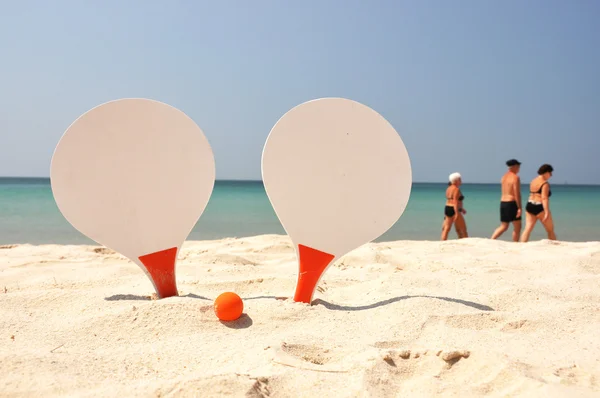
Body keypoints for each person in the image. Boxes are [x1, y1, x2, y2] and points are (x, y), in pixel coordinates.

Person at [520, 164, 557, 242]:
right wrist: (546, 212)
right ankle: (554, 248)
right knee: (550, 230)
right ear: (546, 172)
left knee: (527, 229)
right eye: (550, 173)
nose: (551, 175)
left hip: (530, 205)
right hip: (540, 207)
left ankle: (521, 246)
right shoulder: (545, 183)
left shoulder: (533, 181)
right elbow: (544, 198)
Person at [491, 159, 522, 241]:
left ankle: (491, 240)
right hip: (512, 203)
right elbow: (517, 194)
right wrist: (519, 208)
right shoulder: (515, 177)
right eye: (518, 166)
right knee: (517, 226)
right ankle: (515, 244)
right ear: (514, 166)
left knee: (504, 226)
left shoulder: (503, 177)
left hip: (503, 203)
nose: (519, 168)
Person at [441, 172, 468, 240]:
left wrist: (462, 209)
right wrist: (456, 213)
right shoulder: (456, 189)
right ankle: (466, 241)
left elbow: (450, 199)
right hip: (454, 209)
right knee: (463, 229)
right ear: (456, 180)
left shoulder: (448, 188)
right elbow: (455, 201)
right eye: (460, 179)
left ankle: (442, 242)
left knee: (446, 228)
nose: (461, 181)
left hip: (447, 208)